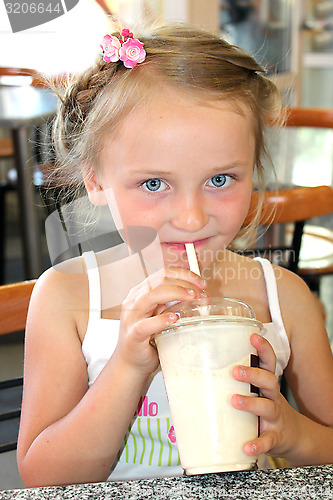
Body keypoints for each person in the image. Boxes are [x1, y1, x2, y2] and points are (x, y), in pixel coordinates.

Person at [17, 22, 333, 487]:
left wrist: (290, 433)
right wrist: (127, 365)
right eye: (153, 184)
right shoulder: (66, 298)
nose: (190, 218)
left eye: (221, 179)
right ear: (96, 180)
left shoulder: (284, 296)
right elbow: (44, 480)